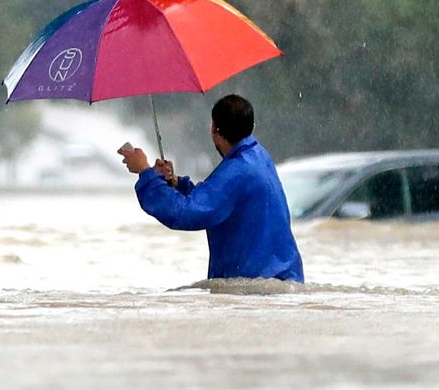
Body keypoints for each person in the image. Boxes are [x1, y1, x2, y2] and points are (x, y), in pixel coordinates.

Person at [118, 94, 303, 282]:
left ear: (213, 128)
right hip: (284, 280)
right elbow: (217, 200)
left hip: (256, 288)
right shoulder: (258, 156)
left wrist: (145, 172)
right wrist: (175, 183)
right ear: (251, 127)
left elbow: (184, 214)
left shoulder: (237, 171)